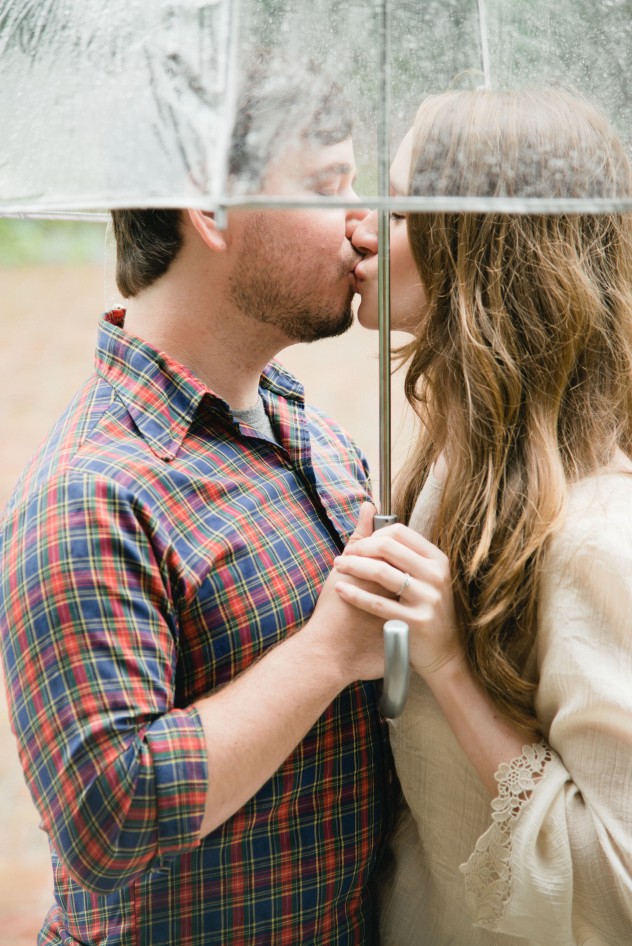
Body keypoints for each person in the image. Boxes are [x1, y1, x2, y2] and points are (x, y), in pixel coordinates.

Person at [0, 66, 394, 945]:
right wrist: (331, 649)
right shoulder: (88, 494)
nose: (361, 219)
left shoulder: (307, 429)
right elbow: (109, 820)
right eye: (329, 187)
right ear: (210, 210)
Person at [341, 86, 632, 945]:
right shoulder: (438, 478)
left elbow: (619, 893)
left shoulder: (591, 538)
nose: (359, 224)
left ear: (472, 248)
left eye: (395, 208)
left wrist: (452, 672)